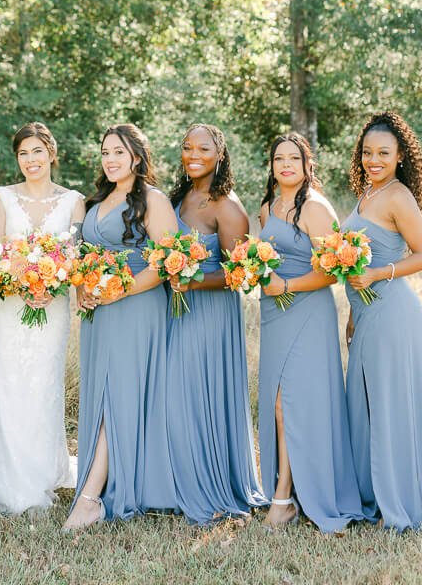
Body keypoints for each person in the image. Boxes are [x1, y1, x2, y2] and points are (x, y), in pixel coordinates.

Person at [343, 111, 422, 530]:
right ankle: (373, 492)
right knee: (365, 403)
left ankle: (403, 496)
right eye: (367, 153)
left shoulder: (397, 196)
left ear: (400, 157)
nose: (373, 160)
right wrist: (351, 315)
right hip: (365, 314)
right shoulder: (366, 194)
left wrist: (378, 274)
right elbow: (352, 262)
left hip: (394, 310)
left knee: (392, 404)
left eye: (383, 153)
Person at [63, 123, 178, 530]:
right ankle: (102, 484)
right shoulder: (95, 201)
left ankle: (91, 496)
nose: (110, 159)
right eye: (105, 152)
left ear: (137, 156)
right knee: (103, 391)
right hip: (99, 311)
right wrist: (82, 288)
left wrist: (119, 289)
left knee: (121, 394)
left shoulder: (153, 200)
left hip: (136, 307)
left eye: (118, 152)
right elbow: (77, 256)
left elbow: (167, 263)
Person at [258, 133, 363, 532]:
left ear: (306, 164)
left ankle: (284, 498)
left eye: (293, 158)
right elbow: (264, 255)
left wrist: (285, 286)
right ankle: (289, 490)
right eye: (278, 158)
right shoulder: (269, 207)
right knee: (275, 404)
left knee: (292, 405)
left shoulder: (316, 208)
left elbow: (333, 271)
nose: (285, 165)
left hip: (307, 312)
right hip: (274, 315)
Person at [165, 123, 266, 524]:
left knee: (197, 395)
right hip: (174, 310)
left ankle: (209, 484)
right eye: (187, 147)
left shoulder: (228, 207)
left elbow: (240, 275)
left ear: (219, 154)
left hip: (209, 315)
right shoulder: (181, 196)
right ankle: (175, 481)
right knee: (176, 396)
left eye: (202, 149)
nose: (193, 155)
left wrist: (194, 280)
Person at [0, 121, 85, 514]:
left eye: (37, 151)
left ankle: (41, 474)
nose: (31, 160)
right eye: (23, 153)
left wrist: (49, 284)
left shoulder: (74, 201)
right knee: (6, 384)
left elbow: (74, 254)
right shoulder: (2, 199)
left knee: (43, 386)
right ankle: (2, 478)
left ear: (52, 153)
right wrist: (22, 284)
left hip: (53, 305)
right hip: (9, 305)